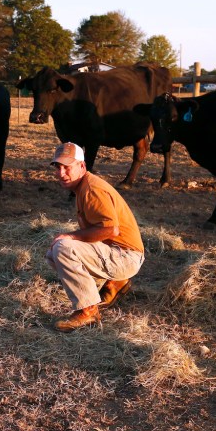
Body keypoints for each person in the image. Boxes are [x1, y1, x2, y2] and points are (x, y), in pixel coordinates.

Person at [46, 142, 145, 332]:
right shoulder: (83, 186)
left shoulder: (91, 189)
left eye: (67, 167)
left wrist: (71, 235)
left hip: (127, 257)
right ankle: (114, 283)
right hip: (119, 253)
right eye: (58, 167)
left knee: (63, 248)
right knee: (53, 254)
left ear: (82, 166)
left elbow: (110, 230)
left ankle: (88, 311)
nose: (61, 173)